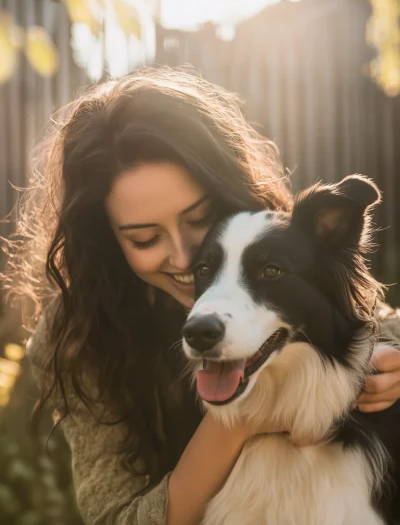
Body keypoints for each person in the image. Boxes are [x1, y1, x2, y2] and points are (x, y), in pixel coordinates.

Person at [5, 67, 400, 525]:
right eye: (145, 238)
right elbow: (117, 517)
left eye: (198, 219)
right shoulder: (73, 335)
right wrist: (238, 422)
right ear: (106, 240)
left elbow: (367, 315)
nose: (185, 257)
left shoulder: (281, 241)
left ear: (223, 189)